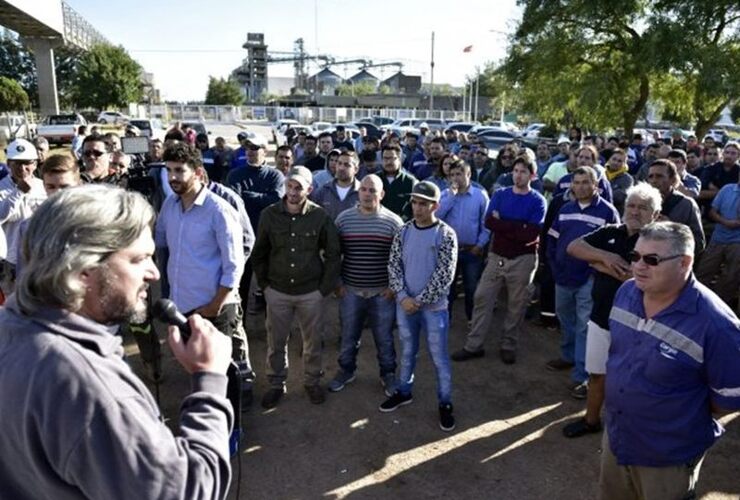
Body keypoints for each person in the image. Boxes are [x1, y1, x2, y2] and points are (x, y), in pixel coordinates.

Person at [0, 185, 234, 499]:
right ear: (83, 271)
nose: (153, 273)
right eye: (139, 259)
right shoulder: (90, 389)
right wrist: (209, 381)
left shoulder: (11, 324)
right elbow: (188, 491)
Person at [600, 221, 740, 499]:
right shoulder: (626, 292)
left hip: (667, 458)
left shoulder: (718, 326)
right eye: (635, 256)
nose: (639, 266)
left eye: (652, 259)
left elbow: (725, 402)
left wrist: (673, 414)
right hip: (618, 438)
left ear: (684, 263)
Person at [155, 143, 245, 443]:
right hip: (182, 306)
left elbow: (234, 266)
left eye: (179, 171)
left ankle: (232, 429)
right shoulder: (169, 206)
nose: (173, 177)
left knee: (224, 371)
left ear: (199, 173)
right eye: (168, 171)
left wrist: (215, 305)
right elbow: (162, 247)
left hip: (214, 307)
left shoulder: (219, 210)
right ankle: (204, 416)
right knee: (196, 367)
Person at [561, 183, 662, 438]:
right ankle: (591, 420)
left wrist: (598, 265)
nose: (635, 211)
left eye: (643, 207)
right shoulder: (611, 232)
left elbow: (635, 277)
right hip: (601, 317)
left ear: (655, 214)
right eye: (631, 205)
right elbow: (573, 247)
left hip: (638, 326)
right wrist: (606, 259)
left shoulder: (658, 242)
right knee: (597, 374)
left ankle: (629, 432)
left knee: (632, 383)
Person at [252, 166, 341, 408]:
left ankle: (312, 382)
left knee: (312, 342)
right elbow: (259, 253)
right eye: (289, 186)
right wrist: (265, 285)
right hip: (277, 291)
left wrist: (323, 289)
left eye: (298, 187)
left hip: (310, 292)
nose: (292, 192)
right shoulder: (269, 214)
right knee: (276, 341)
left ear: (309, 190)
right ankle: (275, 383)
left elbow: (334, 254)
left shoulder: (320, 216)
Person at [451, 155, 546, 364]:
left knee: (516, 304)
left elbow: (530, 234)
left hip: (523, 259)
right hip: (497, 256)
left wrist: (503, 224)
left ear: (533, 175)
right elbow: (490, 222)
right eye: (516, 171)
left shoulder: (538, 201)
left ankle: (508, 344)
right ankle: (473, 345)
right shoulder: (501, 194)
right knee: (482, 298)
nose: (518, 175)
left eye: (523, 171)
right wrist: (516, 226)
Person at [381, 181, 458, 432]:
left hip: (434, 308)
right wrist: (403, 296)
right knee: (408, 351)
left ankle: (445, 402)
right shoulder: (403, 231)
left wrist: (419, 300)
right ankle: (404, 391)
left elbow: (444, 274)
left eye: (423, 203)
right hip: (405, 305)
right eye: (414, 202)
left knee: (439, 358)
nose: (417, 208)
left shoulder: (446, 234)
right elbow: (394, 265)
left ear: (435, 205)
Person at [546, 167, 620, 399]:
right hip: (563, 276)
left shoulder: (608, 212)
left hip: (589, 279)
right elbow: (552, 240)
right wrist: (554, 267)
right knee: (564, 317)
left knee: (583, 326)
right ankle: (567, 356)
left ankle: (582, 376)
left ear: (596, 185)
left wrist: (595, 271)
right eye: (576, 182)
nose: (580, 187)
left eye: (585, 182)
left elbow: (613, 247)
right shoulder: (565, 209)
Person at [328, 174, 403, 395]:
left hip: (382, 293)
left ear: (382, 194)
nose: (368, 194)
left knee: (384, 338)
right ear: (358, 192)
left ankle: (388, 374)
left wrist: (393, 287)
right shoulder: (343, 219)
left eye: (373, 191)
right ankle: (346, 370)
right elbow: (334, 254)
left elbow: (401, 260)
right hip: (350, 291)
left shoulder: (393, 222)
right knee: (349, 336)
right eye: (364, 189)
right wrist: (338, 283)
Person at [436, 159, 490, 323]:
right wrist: (451, 197)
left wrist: (480, 244)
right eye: (452, 175)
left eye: (459, 174)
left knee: (471, 288)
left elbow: (486, 224)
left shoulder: (480, 196)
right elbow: (436, 217)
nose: (455, 178)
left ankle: (471, 320)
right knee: (447, 288)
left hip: (471, 250)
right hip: (448, 250)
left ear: (468, 174)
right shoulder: (445, 195)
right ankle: (445, 319)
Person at [0, 139, 46, 295]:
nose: (22, 168)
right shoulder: (1, 187)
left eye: (27, 163)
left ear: (35, 164)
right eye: (16, 163)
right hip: (11, 263)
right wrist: (18, 192)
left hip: (40, 258)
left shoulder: (43, 186)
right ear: (8, 163)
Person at [695, 175, 740, 311]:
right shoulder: (727, 189)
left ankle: (719, 309)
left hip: (737, 242)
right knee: (704, 271)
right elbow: (713, 212)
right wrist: (725, 222)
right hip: (718, 238)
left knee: (730, 278)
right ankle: (695, 301)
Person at [646, 159, 705, 254]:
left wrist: (673, 228)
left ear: (672, 179)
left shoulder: (686, 204)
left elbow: (699, 243)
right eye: (651, 176)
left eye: (659, 176)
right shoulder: (642, 202)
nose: (654, 181)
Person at [311, 150, 361, 221]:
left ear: (356, 169)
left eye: (347, 165)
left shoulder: (363, 191)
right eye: (339, 163)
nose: (341, 168)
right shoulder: (323, 191)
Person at [378, 144, 417, 220]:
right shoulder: (375, 179)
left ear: (399, 159)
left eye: (392, 158)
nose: (388, 162)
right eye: (385, 158)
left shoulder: (410, 181)